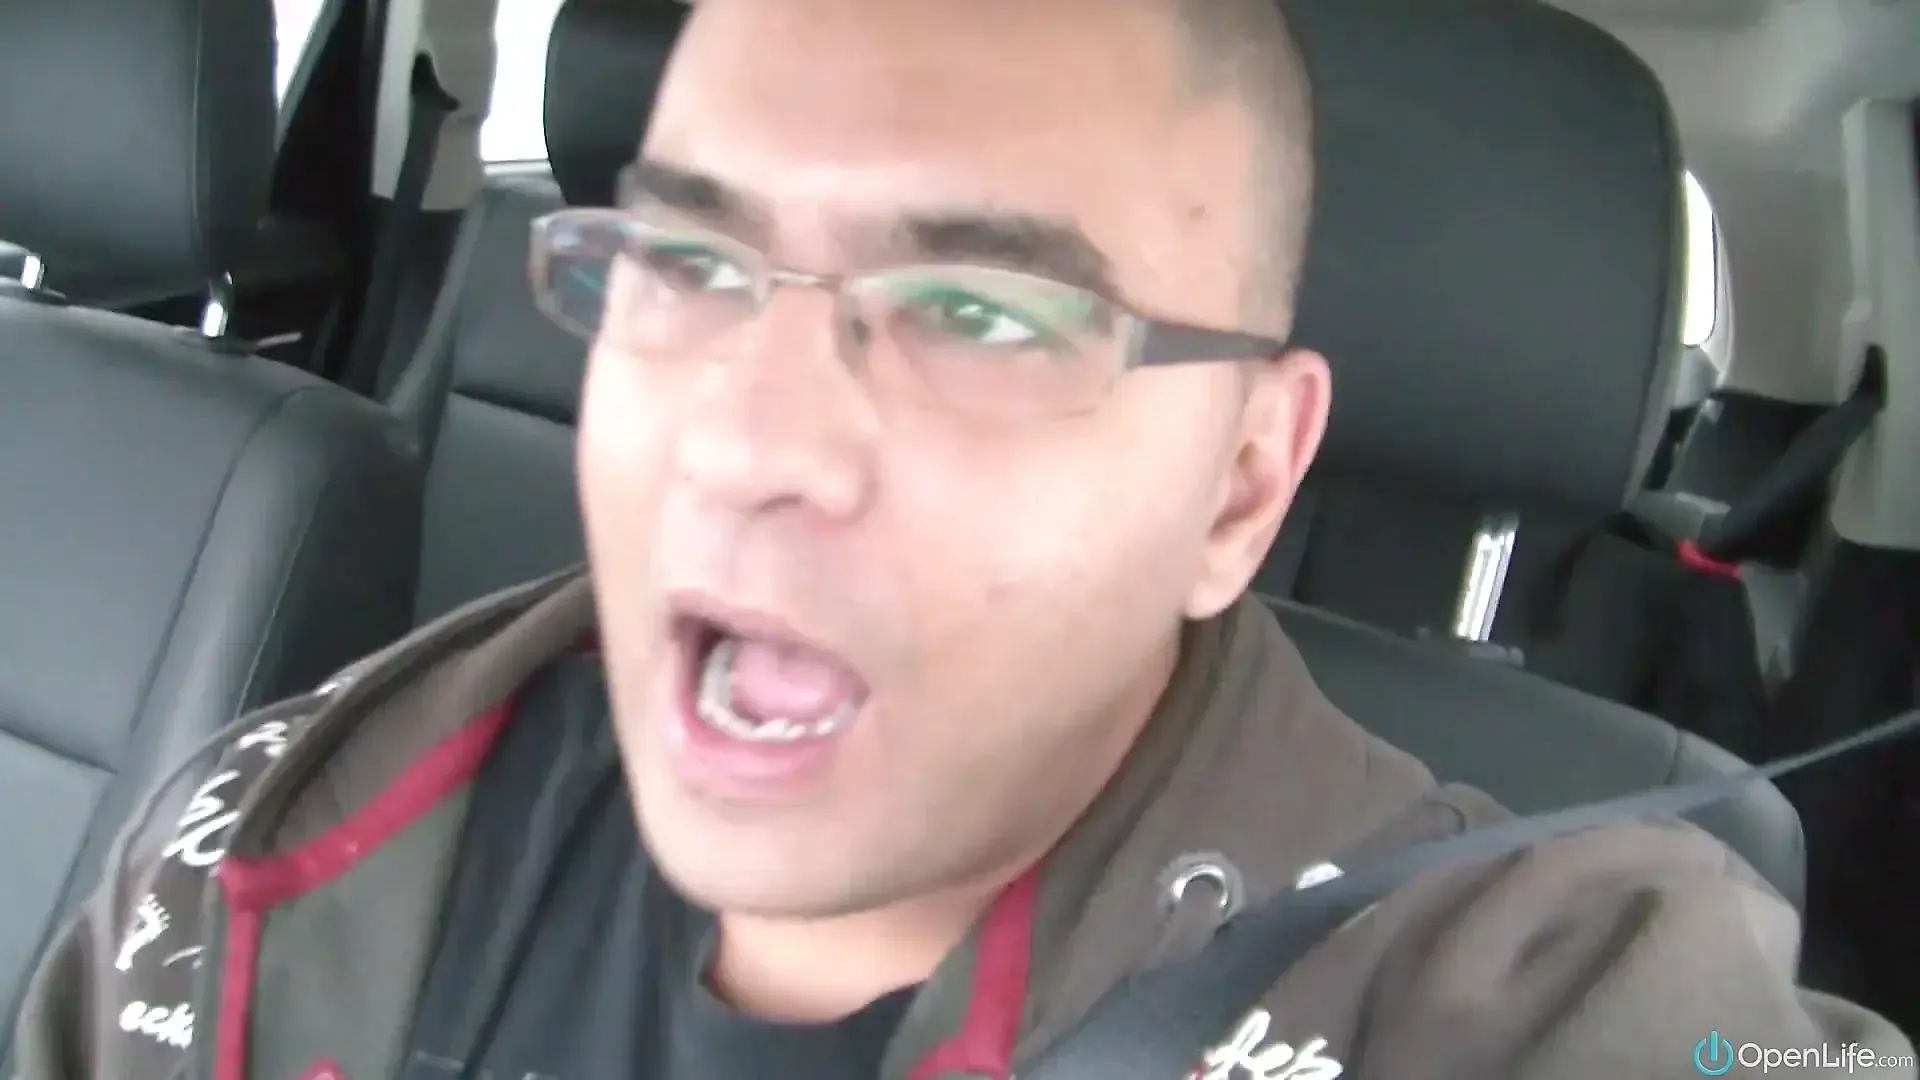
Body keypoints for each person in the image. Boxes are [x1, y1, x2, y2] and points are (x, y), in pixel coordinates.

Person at [12, 0, 1913, 1077]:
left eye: (983, 315)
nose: (749, 440)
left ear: (1242, 483)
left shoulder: (1535, 1002)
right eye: (687, 263)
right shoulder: (264, 832)